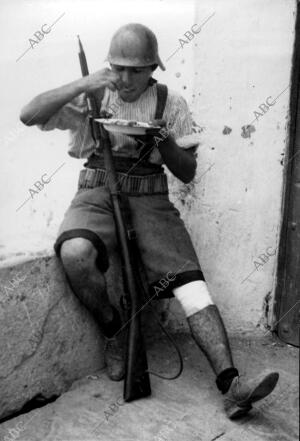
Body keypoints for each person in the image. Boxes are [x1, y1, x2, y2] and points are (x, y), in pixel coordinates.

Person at [20, 23, 279, 419]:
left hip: (150, 196)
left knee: (192, 287)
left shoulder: (170, 103)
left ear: (152, 68)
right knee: (74, 253)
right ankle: (114, 330)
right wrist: (83, 82)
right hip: (97, 189)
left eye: (134, 70)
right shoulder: (92, 94)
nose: (124, 78)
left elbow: (187, 172)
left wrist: (164, 142)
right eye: (117, 68)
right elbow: (28, 114)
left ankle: (232, 386)